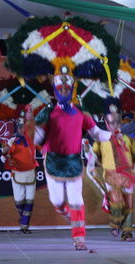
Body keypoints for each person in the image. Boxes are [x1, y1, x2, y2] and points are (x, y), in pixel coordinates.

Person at [33, 66, 111, 250]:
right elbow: (36, 137)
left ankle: (79, 238)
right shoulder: (47, 112)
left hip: (74, 162)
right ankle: (67, 213)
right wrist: (31, 131)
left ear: (72, 90)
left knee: (77, 201)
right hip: (53, 161)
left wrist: (113, 135)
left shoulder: (81, 112)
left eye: (67, 89)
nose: (64, 91)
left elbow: (97, 133)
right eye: (60, 89)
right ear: (55, 90)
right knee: (57, 202)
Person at [92, 102, 135, 242]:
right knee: (116, 201)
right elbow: (95, 156)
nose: (115, 125)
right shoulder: (101, 140)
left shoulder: (128, 140)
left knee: (129, 203)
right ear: (106, 122)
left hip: (127, 176)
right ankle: (116, 223)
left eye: (118, 122)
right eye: (112, 123)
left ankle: (127, 233)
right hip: (111, 175)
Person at [1, 109, 37, 234]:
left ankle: (24, 225)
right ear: (18, 129)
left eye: (24, 128)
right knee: (19, 201)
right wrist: (5, 151)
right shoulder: (11, 141)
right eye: (21, 128)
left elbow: (44, 146)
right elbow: (3, 156)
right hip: (17, 173)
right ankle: (23, 221)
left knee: (30, 200)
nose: (23, 130)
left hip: (30, 173)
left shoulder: (33, 140)